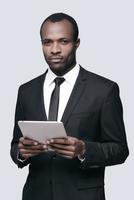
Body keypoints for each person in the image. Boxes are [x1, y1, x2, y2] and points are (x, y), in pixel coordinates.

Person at [10, 13, 129, 200]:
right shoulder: (26, 91)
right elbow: (15, 145)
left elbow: (120, 150)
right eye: (47, 42)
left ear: (77, 43)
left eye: (63, 41)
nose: (54, 49)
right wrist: (21, 152)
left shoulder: (104, 90)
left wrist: (83, 149)